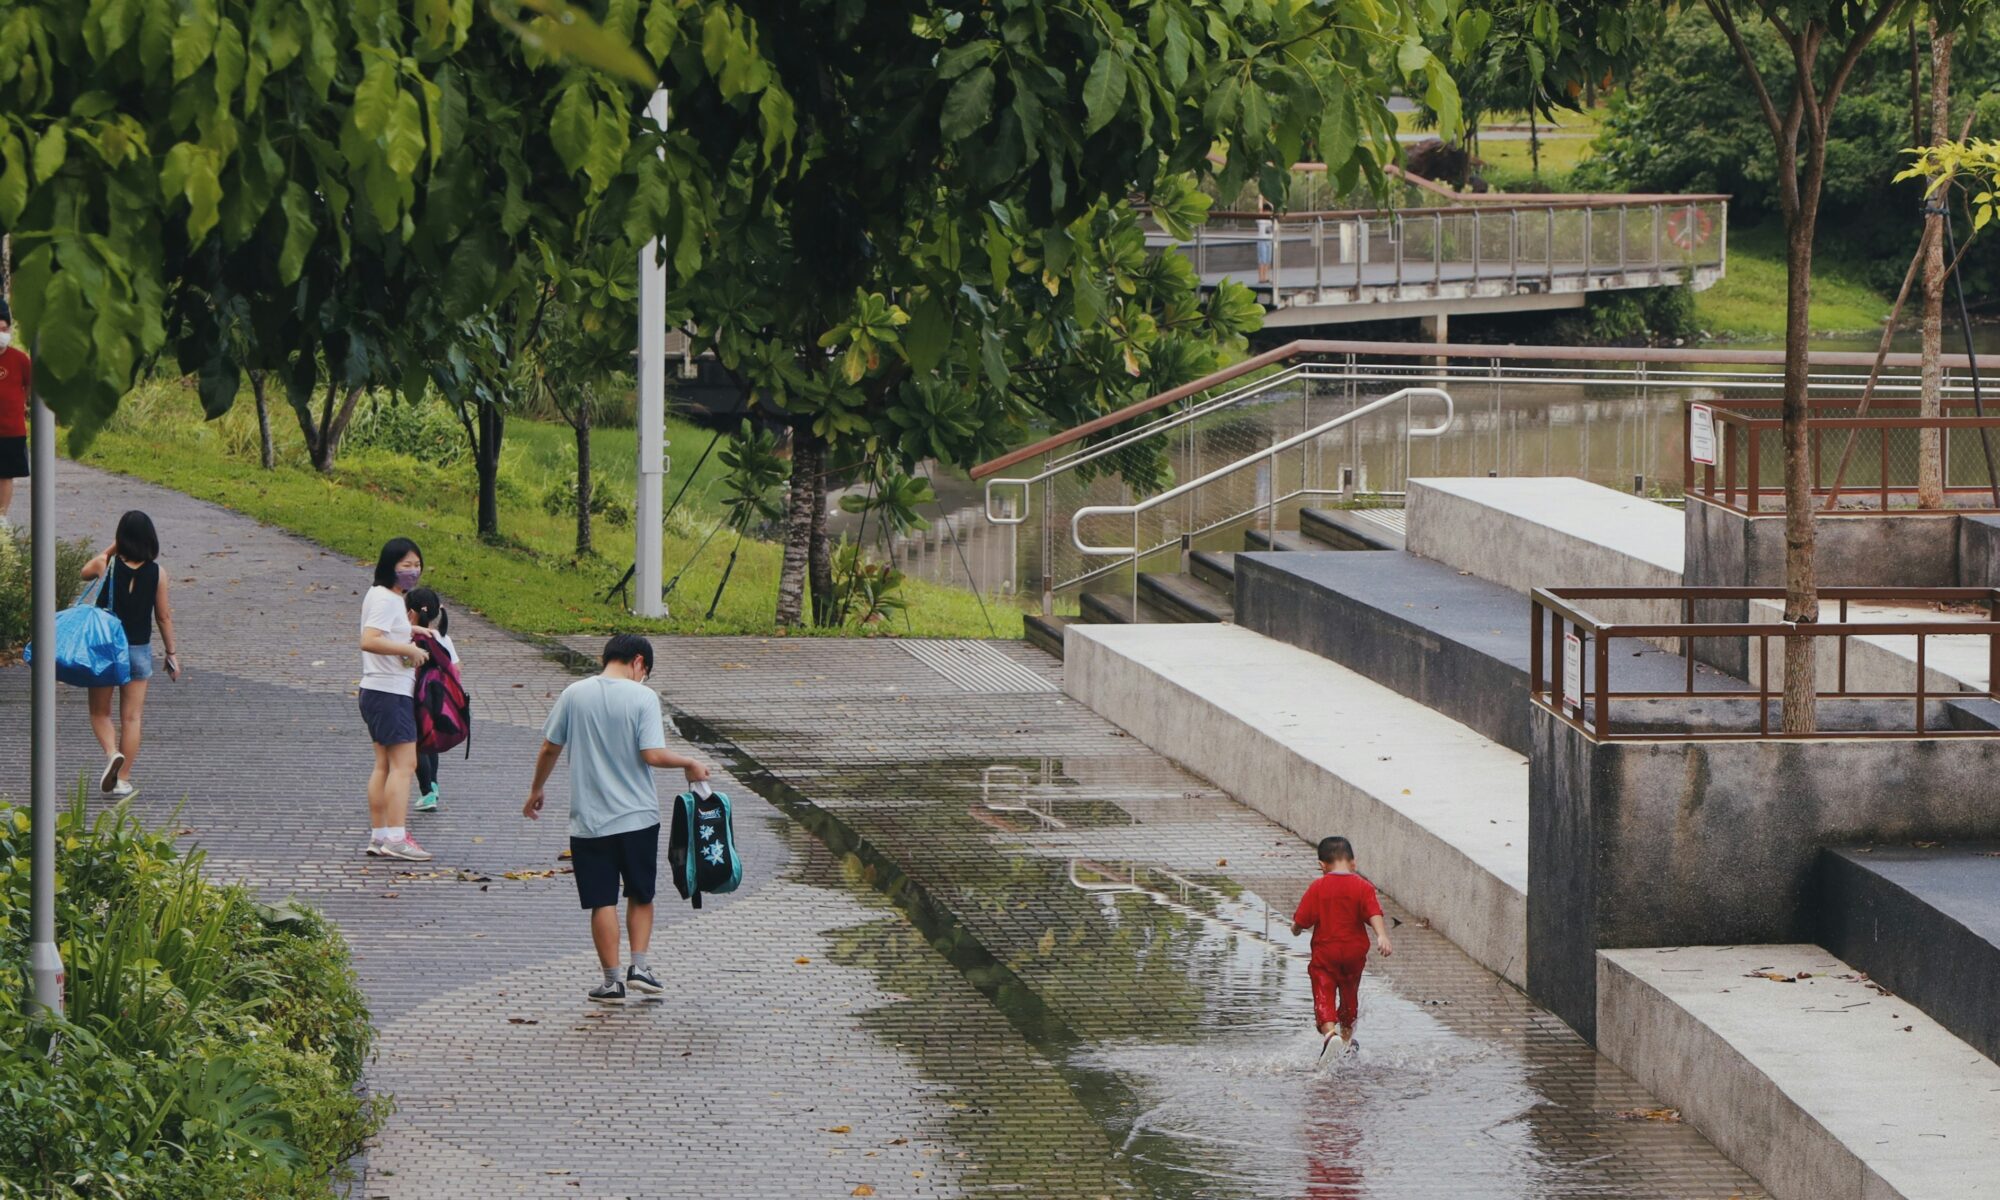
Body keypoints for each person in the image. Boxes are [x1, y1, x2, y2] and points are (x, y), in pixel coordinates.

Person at [524, 634, 711, 1003]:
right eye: (646, 673)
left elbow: (549, 747)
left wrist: (536, 790)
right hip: (638, 817)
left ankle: (611, 981)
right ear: (639, 662)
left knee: (601, 899)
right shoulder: (642, 697)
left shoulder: (574, 694)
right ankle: (639, 966)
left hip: (589, 820)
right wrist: (690, 762)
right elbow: (652, 754)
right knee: (641, 892)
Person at [80, 511, 180, 797]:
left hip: (104, 649)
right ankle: (122, 778)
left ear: (120, 537)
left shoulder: (107, 564)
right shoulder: (158, 573)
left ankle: (113, 753)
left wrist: (113, 548)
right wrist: (171, 653)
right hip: (138, 650)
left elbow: (84, 571)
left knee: (99, 712)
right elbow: (163, 616)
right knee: (132, 718)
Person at [359, 537, 433, 862]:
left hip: (376, 690)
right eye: (406, 565)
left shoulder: (383, 596)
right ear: (390, 566)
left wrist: (413, 634)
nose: (413, 571)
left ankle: (380, 836)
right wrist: (409, 649)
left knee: (385, 765)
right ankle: (396, 838)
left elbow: (384, 634)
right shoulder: (387, 599)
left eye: (417, 565)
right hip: (389, 692)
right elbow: (369, 640)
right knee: (405, 765)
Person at [1291, 835, 1392, 1056]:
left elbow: (1302, 919)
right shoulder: (1363, 887)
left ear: (1321, 865)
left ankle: (1330, 1036)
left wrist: (1296, 929)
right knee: (1349, 994)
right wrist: (1381, 936)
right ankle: (1345, 1040)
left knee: (1323, 989)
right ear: (1353, 863)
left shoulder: (1318, 886)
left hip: (1326, 952)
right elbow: (1374, 912)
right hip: (1354, 954)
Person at [404, 586, 457, 814]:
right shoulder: (442, 637)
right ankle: (433, 785)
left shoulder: (411, 636)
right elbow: (456, 667)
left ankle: (426, 792)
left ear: (410, 613)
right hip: (440, 696)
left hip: (417, 696)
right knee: (430, 740)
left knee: (417, 744)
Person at [0, 298, 30, 523]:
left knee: (5, 475)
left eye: (4, 328)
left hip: (11, 429)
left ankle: (1, 518)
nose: (2, 333)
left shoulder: (20, 359)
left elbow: (30, 386)